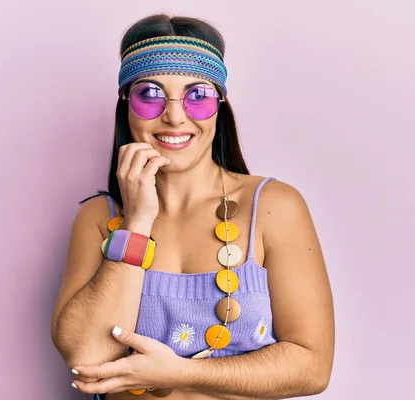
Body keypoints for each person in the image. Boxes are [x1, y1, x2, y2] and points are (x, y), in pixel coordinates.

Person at [51, 13, 335, 400]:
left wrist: (181, 373)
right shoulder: (100, 219)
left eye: (197, 95)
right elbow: (86, 355)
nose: (174, 115)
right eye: (150, 94)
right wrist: (137, 220)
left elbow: (312, 367)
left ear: (220, 106)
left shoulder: (273, 206)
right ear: (126, 104)